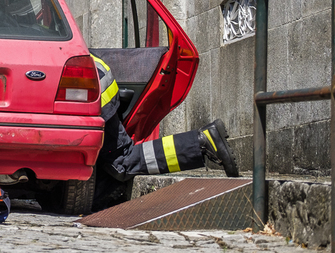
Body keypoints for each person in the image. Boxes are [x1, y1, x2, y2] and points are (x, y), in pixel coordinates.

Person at [93, 55, 238, 184]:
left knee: (122, 162)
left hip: (95, 92)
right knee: (114, 165)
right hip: (97, 84)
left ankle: (201, 141)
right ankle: (202, 140)